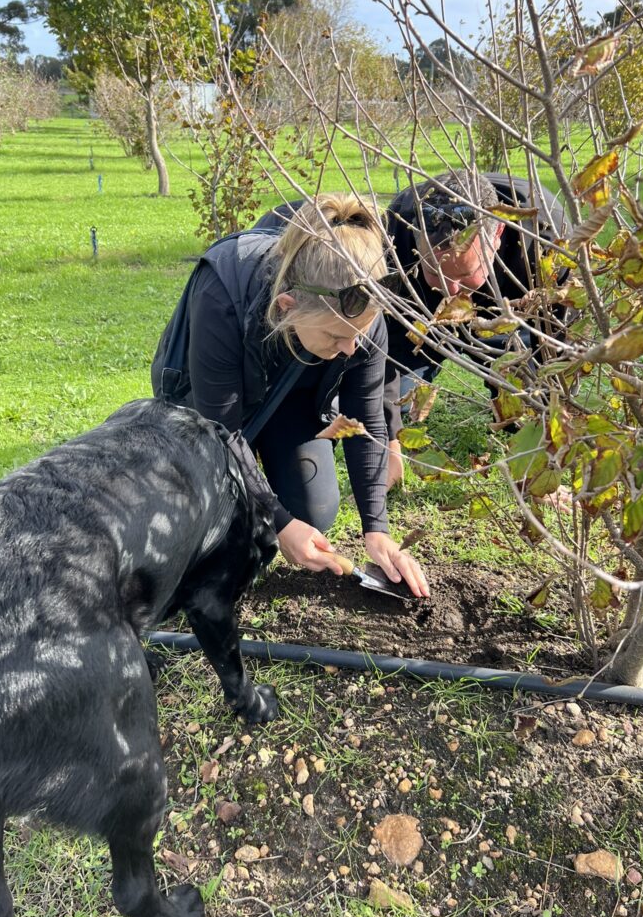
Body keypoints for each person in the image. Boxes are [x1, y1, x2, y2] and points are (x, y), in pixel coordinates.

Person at [151, 194, 430, 598]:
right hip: (202, 406)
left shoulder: (361, 315)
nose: (352, 348)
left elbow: (365, 420)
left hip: (288, 396)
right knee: (222, 539)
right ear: (287, 307)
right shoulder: (223, 292)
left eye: (359, 335)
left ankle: (264, 468)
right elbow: (221, 432)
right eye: (336, 337)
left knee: (314, 511)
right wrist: (277, 522)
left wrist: (377, 530)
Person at [383, 170, 569, 487]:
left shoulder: (545, 237)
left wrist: (542, 457)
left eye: (464, 273)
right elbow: (387, 354)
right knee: (397, 399)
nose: (452, 291)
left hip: (509, 301)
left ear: (496, 236)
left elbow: (553, 350)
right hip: (424, 314)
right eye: (436, 273)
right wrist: (389, 449)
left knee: (520, 394)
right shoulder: (396, 232)